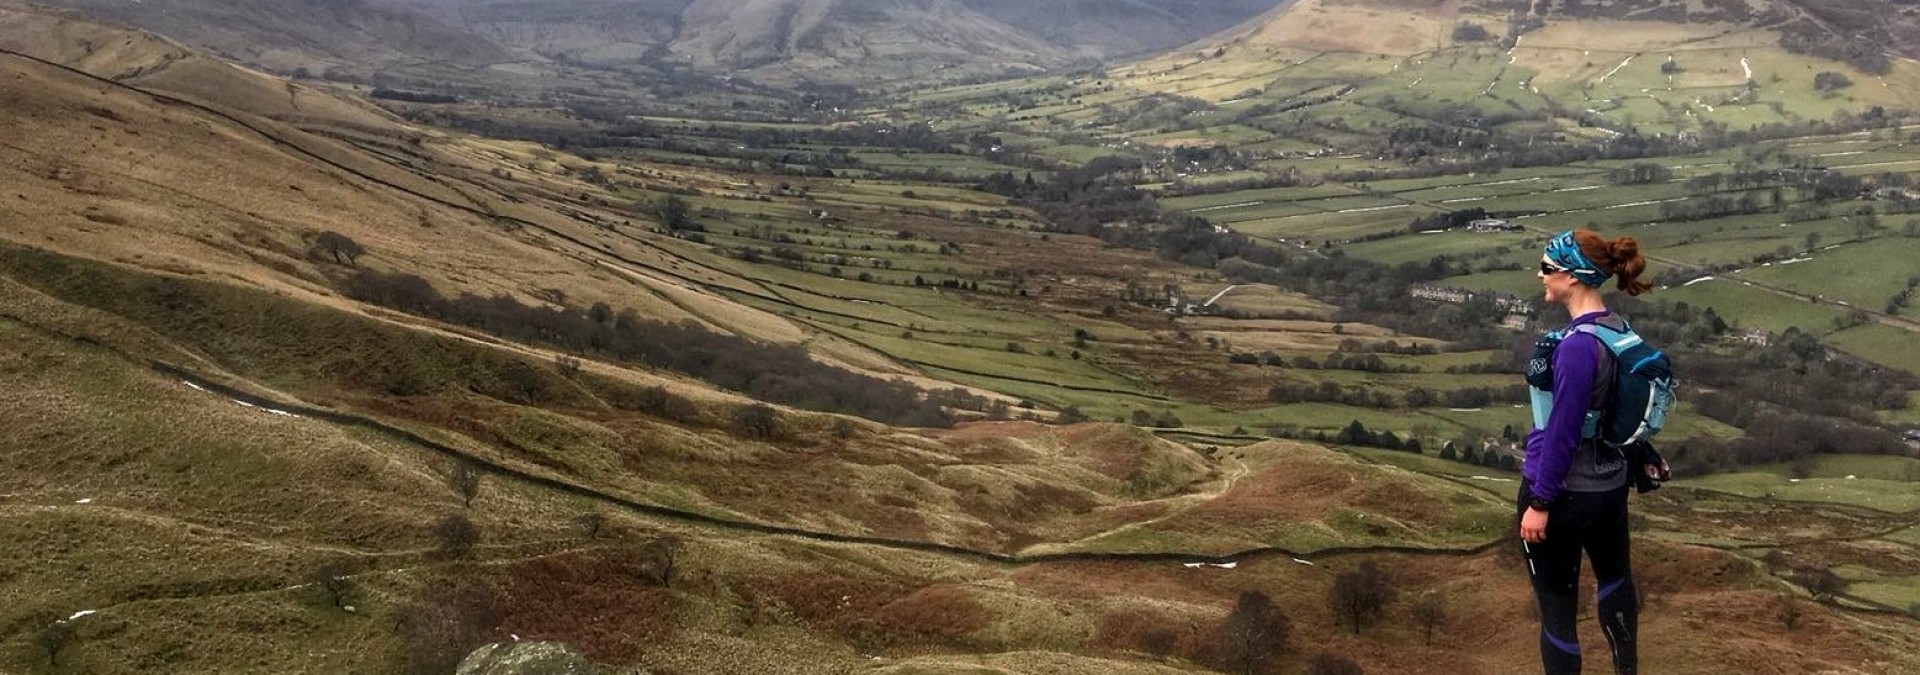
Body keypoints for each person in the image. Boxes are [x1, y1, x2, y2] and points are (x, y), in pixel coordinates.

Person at [1519, 230, 1653, 675]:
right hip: (1609, 486)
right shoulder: (1616, 330)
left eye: (1547, 268)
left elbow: (1563, 430)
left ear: (1573, 277)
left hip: (1563, 493)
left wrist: (1540, 502)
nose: (1540, 275)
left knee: (1557, 613)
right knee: (1616, 583)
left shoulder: (1577, 347)